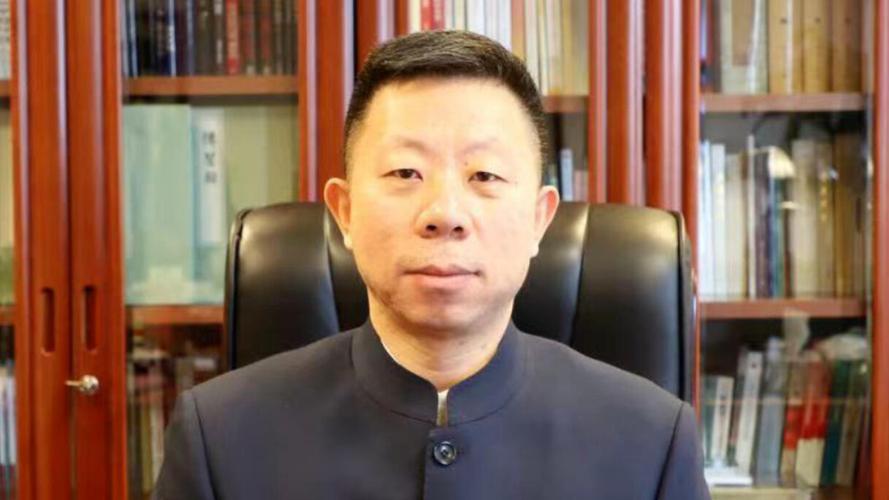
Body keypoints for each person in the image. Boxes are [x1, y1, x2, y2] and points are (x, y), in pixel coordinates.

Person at [153, 30, 710, 499]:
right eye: (405, 173)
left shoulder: (652, 443)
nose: (445, 214)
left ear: (540, 220)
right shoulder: (219, 437)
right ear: (344, 212)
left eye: (484, 175)